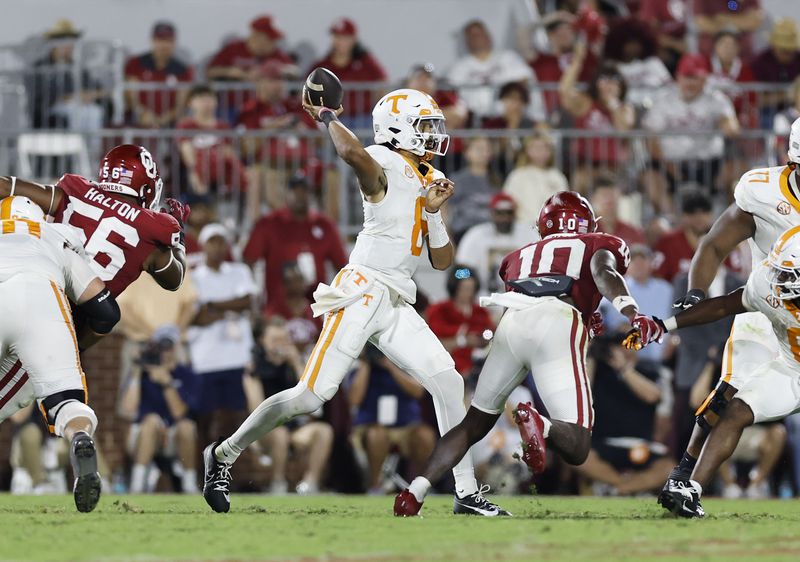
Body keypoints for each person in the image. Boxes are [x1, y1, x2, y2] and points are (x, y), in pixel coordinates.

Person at [202, 86, 510, 516]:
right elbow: (352, 155)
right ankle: (223, 454)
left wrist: (436, 210)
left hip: (398, 298)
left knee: (449, 381)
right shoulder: (383, 160)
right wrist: (327, 116)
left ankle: (464, 491)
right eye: (425, 125)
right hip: (363, 289)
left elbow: (443, 262)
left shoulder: (425, 178)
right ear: (399, 129)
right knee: (310, 396)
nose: (434, 134)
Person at [393, 191, 663, 516]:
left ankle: (413, 492)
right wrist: (632, 312)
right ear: (587, 222)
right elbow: (603, 273)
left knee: (474, 422)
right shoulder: (598, 242)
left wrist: (587, 308)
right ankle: (542, 425)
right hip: (558, 322)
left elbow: (545, 285)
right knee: (577, 445)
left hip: (511, 323)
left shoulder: (516, 256)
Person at [657, 118, 800, 516]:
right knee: (728, 395)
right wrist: (695, 293)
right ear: (794, 163)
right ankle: (685, 475)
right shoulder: (763, 193)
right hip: (770, 301)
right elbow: (714, 244)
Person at [0, 144, 189, 420]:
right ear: (147, 188)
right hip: (51, 327)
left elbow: (6, 186)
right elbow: (175, 279)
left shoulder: (74, 192)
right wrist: (179, 240)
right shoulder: (151, 233)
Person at [0, 195, 121, 512]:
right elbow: (105, 311)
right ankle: (79, 436)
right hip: (43, 296)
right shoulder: (55, 236)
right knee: (66, 400)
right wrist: (73, 345)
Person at [576, 333, 674, 495]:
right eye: (616, 343)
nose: (621, 347)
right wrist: (591, 353)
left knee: (669, 468)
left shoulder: (650, 371)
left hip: (640, 446)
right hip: (605, 444)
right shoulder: (599, 372)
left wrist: (623, 368)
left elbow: (653, 396)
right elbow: (582, 392)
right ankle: (625, 487)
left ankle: (617, 489)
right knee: (578, 459)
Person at [244, 318, 334, 494]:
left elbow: (313, 401)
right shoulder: (253, 369)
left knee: (324, 431)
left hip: (293, 428)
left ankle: (310, 484)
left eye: (284, 339)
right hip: (264, 430)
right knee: (280, 434)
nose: (281, 345)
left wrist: (296, 363)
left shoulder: (293, 365)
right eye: (275, 340)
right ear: (262, 341)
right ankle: (278, 484)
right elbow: (256, 409)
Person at [642, 53, 739, 213]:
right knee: (651, 178)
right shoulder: (664, 100)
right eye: (687, 77)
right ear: (678, 77)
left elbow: (732, 126)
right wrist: (670, 166)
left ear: (705, 79)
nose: (690, 83)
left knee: (736, 170)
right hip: (671, 163)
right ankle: (671, 223)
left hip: (710, 163)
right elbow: (651, 139)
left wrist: (726, 123)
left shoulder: (715, 98)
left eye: (695, 78)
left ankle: (730, 221)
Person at [188, 223, 257, 443]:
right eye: (212, 242)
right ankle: (201, 471)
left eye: (221, 242)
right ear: (203, 246)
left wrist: (211, 305)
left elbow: (246, 302)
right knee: (204, 417)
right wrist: (229, 309)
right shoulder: (194, 277)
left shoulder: (239, 271)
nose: (217, 247)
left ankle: (224, 471)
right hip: (205, 358)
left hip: (236, 356)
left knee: (233, 416)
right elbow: (196, 316)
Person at [243, 174, 347, 310]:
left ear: (311, 194)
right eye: (295, 191)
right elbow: (249, 259)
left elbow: (342, 266)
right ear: (286, 193)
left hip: (314, 310)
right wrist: (253, 297)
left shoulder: (324, 225)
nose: (299, 196)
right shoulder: (269, 223)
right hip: (277, 309)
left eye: (304, 191)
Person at [119, 326, 200, 494]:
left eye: (168, 346)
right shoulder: (142, 373)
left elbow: (179, 413)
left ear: (176, 347)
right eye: (161, 346)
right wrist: (136, 372)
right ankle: (137, 485)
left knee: (187, 426)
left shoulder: (187, 374)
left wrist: (166, 383)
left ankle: (189, 485)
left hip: (174, 435)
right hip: (144, 434)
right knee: (152, 421)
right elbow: (128, 409)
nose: (165, 352)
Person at [348, 344, 435, 494]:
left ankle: (421, 485)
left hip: (406, 426)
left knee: (425, 436)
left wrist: (391, 365)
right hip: (371, 426)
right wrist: (367, 362)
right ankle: (375, 486)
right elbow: (354, 399)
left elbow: (418, 392)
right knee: (377, 435)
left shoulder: (406, 364)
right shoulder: (359, 367)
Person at [559, 44, 634, 193]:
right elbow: (565, 92)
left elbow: (623, 129)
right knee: (580, 181)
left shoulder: (626, 108)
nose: (609, 84)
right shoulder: (586, 103)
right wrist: (577, 61)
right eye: (604, 79)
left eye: (614, 79)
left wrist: (613, 104)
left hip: (615, 167)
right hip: (586, 164)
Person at [448, 20, 542, 121]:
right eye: (473, 35)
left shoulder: (508, 57)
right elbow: (451, 94)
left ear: (488, 36)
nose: (477, 38)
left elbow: (524, 80)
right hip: (475, 120)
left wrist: (507, 100)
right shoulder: (458, 68)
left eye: (480, 34)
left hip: (510, 115)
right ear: (467, 41)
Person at [206, 15, 293, 117]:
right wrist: (235, 73)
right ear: (256, 35)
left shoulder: (277, 54)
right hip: (230, 108)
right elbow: (210, 71)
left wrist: (269, 73)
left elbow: (293, 71)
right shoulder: (234, 49)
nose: (273, 43)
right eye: (270, 38)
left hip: (264, 109)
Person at [308, 18, 387, 128]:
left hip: (363, 118)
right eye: (337, 37)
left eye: (345, 37)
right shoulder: (323, 65)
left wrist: (379, 111)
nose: (340, 42)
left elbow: (382, 81)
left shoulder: (365, 62)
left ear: (353, 39)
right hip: (332, 117)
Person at [30, 19, 107, 130]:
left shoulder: (77, 68)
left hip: (80, 106)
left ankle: (93, 146)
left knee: (94, 112)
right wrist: (72, 97)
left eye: (71, 42)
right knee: (75, 112)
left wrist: (90, 95)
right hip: (51, 110)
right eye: (63, 41)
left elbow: (100, 90)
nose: (69, 46)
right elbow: (42, 97)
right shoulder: (40, 68)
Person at [600, 245, 673, 364]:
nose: (639, 264)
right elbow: (605, 321)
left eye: (643, 259)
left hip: (664, 356)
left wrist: (674, 340)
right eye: (633, 260)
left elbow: (676, 319)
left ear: (651, 263)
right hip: (628, 358)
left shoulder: (666, 289)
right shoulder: (615, 287)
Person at [455, 193, 538, 295]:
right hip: (483, 301)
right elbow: (458, 272)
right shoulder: (475, 236)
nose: (504, 218)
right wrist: (471, 276)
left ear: (515, 214)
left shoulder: (528, 234)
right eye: (499, 213)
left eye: (508, 213)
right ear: (492, 213)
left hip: (521, 300)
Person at [176, 84, 248, 195]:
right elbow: (187, 151)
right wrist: (194, 172)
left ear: (216, 102)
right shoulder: (186, 125)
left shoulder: (223, 126)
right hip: (199, 170)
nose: (206, 103)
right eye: (201, 99)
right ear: (190, 103)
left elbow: (229, 152)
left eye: (209, 98)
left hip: (221, 169)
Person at [523, 12, 598, 112]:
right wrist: (552, 17)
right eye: (560, 31)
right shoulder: (542, 60)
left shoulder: (586, 57)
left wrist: (576, 21)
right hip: (551, 115)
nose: (565, 35)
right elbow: (523, 32)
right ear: (550, 35)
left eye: (569, 30)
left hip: (581, 113)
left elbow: (597, 32)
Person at [427, 266, 494, 378]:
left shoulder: (481, 312)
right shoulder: (439, 311)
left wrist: (484, 341)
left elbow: (491, 338)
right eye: (463, 288)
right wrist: (463, 341)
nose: (467, 293)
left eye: (471, 289)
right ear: (455, 288)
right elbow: (431, 345)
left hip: (479, 371)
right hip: (446, 371)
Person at [124, 21, 194, 128]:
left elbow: (182, 103)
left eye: (168, 40)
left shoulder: (183, 69)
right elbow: (131, 96)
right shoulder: (135, 63)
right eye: (160, 40)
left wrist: (163, 119)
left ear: (175, 42)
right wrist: (142, 113)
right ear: (152, 40)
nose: (164, 45)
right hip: (138, 121)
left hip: (170, 125)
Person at [503, 131, 569, 227]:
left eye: (544, 147)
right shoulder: (517, 175)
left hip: (551, 228)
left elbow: (565, 204)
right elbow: (508, 202)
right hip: (523, 227)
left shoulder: (557, 176)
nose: (540, 151)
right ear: (527, 150)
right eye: (536, 147)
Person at [652, 192, 714, 282]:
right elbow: (657, 276)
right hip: (677, 294)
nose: (699, 217)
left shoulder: (721, 240)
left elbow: (732, 275)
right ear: (683, 216)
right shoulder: (667, 242)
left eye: (704, 212)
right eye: (692, 212)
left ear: (711, 215)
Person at [446, 137, 499, 242]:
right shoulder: (457, 180)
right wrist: (448, 236)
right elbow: (446, 208)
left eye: (487, 149)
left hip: (491, 232)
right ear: (467, 153)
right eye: (479, 149)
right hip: (464, 231)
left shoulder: (496, 180)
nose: (483, 153)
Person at [694, 0, 763, 58]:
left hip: (744, 56)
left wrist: (725, 19)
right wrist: (740, 21)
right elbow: (703, 23)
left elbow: (754, 22)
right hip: (709, 55)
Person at [589, 176, 645, 246]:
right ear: (594, 198)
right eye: (604, 195)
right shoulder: (588, 232)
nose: (609, 199)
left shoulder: (632, 232)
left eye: (612, 194)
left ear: (619, 196)